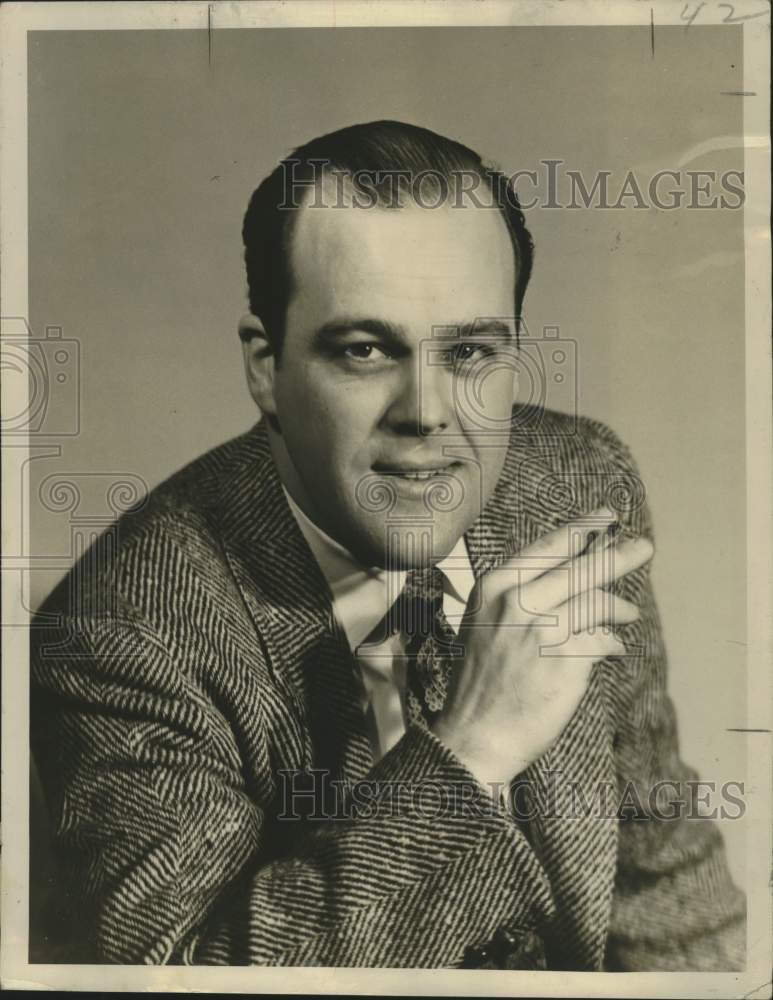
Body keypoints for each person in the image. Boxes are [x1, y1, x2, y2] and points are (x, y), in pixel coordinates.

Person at [30, 120, 745, 969]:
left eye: (471, 350)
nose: (427, 412)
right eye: (365, 349)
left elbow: (661, 883)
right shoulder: (120, 624)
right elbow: (179, 981)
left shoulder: (581, 487)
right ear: (267, 367)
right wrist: (470, 751)